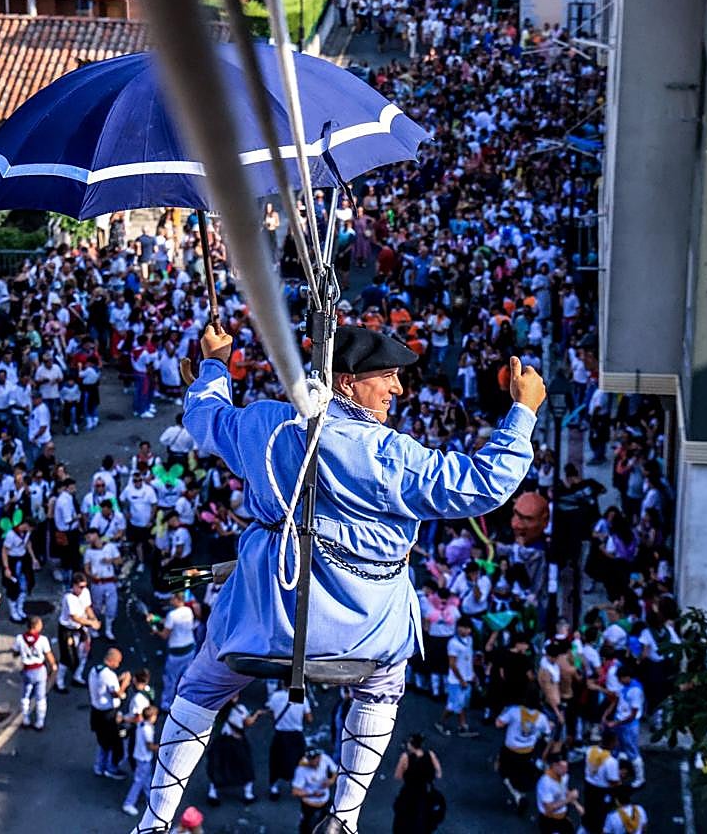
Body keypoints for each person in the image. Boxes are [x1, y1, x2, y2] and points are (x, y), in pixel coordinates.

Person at [137, 324, 543, 834]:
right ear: (348, 382)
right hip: (364, 634)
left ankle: (153, 823)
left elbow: (205, 418)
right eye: (388, 377)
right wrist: (522, 412)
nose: (398, 389)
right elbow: (485, 484)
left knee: (198, 689)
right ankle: (345, 817)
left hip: (263, 620)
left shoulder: (265, 424)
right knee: (384, 687)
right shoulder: (389, 455)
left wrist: (215, 365)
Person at [495, 688, 552, 809]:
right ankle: (520, 791)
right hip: (527, 751)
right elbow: (547, 731)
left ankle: (517, 795)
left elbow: (498, 724)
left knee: (503, 770)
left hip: (510, 749)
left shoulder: (514, 711)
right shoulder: (541, 717)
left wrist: (503, 712)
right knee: (520, 773)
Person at [206, 694, 265, 806]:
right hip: (237, 742)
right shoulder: (240, 709)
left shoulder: (218, 709)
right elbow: (248, 722)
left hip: (221, 742)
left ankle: (213, 793)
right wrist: (256, 714)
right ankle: (248, 794)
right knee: (245, 766)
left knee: (218, 767)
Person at [89, 647, 132, 779]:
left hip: (96, 711)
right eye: (118, 662)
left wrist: (117, 680)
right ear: (112, 660)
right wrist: (124, 683)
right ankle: (111, 768)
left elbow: (104, 686)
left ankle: (99, 766)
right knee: (115, 742)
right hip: (108, 714)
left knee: (102, 741)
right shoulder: (109, 675)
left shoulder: (95, 670)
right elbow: (116, 694)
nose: (118, 664)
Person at [266, 683, 313, 801]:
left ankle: (274, 788)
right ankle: (297, 784)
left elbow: (271, 714)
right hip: (296, 736)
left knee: (276, 762)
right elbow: (309, 719)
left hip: (280, 734)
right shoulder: (302, 698)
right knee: (298, 761)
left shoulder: (275, 696)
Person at [434, 616, 478, 738]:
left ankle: (462, 726)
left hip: (467, 678)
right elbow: (452, 664)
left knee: (461, 704)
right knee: (452, 705)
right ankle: (440, 723)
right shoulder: (453, 643)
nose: (464, 630)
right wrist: (461, 680)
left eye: (467, 628)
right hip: (456, 681)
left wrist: (472, 674)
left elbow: (469, 660)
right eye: (462, 627)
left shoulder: (470, 640)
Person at [391, 733, 443, 834]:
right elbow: (438, 774)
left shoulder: (405, 758)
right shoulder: (430, 755)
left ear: (411, 744)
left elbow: (398, 775)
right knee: (423, 822)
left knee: (404, 823)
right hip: (425, 794)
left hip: (409, 795)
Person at [57, 572, 100, 691]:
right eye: (80, 587)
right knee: (67, 657)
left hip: (81, 628)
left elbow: (87, 607)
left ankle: (77, 676)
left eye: (84, 586)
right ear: (74, 585)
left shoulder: (85, 593)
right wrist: (91, 623)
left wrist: (94, 619)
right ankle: (59, 681)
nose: (82, 589)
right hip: (68, 629)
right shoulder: (69, 597)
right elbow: (74, 617)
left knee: (84, 652)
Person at [14, 614, 57, 730]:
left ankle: (26, 719)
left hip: (27, 670)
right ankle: (39, 722)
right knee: (40, 697)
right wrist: (53, 665)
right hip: (39, 670)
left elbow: (15, 652)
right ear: (36, 626)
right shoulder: (42, 640)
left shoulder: (19, 639)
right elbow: (48, 655)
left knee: (25, 695)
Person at [152, 592, 196, 708]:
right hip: (190, 649)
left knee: (170, 679)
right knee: (186, 677)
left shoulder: (172, 615)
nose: (170, 600)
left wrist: (155, 630)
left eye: (172, 598)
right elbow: (170, 623)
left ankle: (166, 704)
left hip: (177, 652)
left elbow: (164, 635)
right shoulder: (188, 610)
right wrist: (157, 619)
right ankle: (184, 701)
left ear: (177, 599)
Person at [605, 664, 646, 788]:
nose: (618, 681)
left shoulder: (635, 691)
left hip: (629, 725)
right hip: (620, 721)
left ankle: (640, 778)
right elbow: (617, 700)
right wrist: (606, 715)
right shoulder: (625, 686)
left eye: (620, 678)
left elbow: (633, 715)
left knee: (632, 751)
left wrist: (616, 723)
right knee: (616, 749)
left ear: (626, 677)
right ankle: (615, 773)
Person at [85, 528, 124, 640]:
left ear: (96, 535)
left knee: (111, 606)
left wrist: (110, 561)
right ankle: (94, 627)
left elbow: (119, 560)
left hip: (110, 582)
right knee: (96, 607)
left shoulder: (110, 547)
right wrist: (92, 576)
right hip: (97, 583)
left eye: (89, 536)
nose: (88, 539)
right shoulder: (88, 552)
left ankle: (108, 630)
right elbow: (86, 568)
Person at [123, 704, 161, 817]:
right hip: (144, 758)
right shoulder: (148, 729)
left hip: (139, 755)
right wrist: (162, 747)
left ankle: (150, 799)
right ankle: (128, 803)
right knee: (139, 781)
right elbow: (150, 746)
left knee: (147, 778)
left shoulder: (141, 724)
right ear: (152, 717)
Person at [292, 747, 339, 834]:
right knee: (307, 828)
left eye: (318, 758)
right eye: (314, 760)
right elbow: (295, 791)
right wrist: (312, 794)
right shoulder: (301, 770)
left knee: (331, 823)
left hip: (325, 800)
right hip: (309, 804)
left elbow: (335, 770)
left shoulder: (324, 758)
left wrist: (331, 781)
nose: (317, 761)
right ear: (308, 760)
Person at [583, 731, 623, 833]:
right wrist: (620, 779)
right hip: (601, 792)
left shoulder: (590, 751)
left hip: (588, 786)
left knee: (589, 809)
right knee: (600, 814)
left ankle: (587, 826)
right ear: (611, 743)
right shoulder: (611, 761)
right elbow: (613, 782)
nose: (617, 743)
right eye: (616, 741)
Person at [537, 751, 583, 834]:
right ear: (555, 766)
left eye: (567, 767)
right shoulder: (545, 783)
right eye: (563, 767)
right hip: (549, 820)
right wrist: (568, 800)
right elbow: (549, 809)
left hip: (562, 816)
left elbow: (564, 790)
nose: (566, 770)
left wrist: (577, 805)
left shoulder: (564, 776)